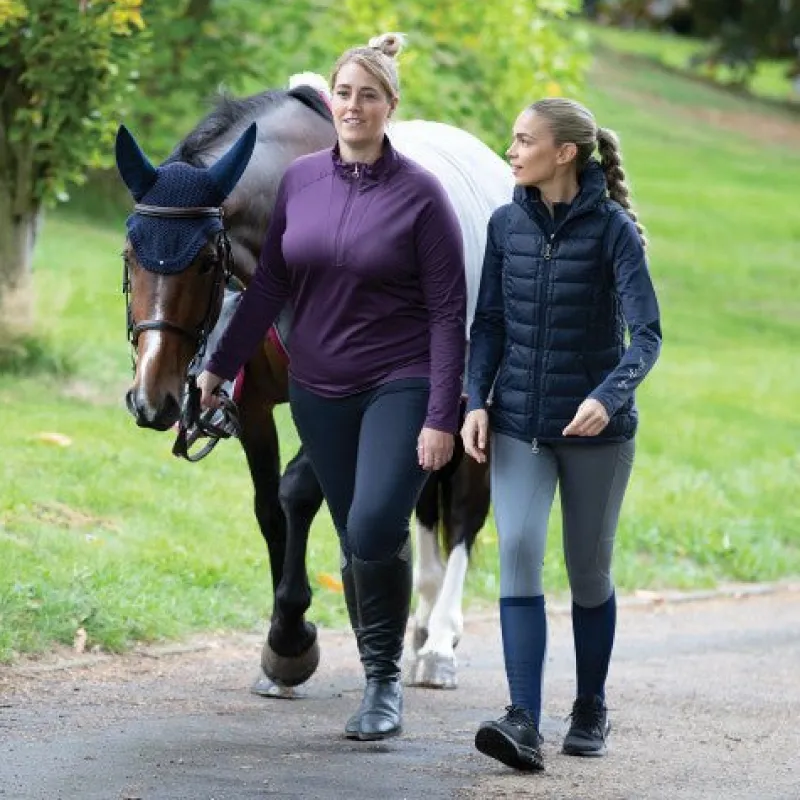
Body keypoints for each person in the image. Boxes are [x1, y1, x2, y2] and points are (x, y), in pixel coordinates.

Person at [197, 33, 466, 741]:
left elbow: (447, 312)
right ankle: (377, 675)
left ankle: (383, 685)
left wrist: (442, 413)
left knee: (376, 526)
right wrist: (220, 365)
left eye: (368, 95)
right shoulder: (302, 181)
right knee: (355, 539)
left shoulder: (422, 194)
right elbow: (269, 286)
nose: (353, 106)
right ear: (331, 99)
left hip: (400, 382)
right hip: (320, 391)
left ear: (390, 106)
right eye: (344, 93)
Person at [461, 97, 662, 770]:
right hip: (519, 422)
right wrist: (476, 401)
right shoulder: (504, 224)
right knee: (518, 548)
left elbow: (648, 335)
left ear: (564, 153)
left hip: (597, 434)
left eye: (524, 140)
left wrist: (608, 398)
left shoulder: (613, 232)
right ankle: (522, 718)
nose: (512, 150)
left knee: (587, 570)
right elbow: (488, 323)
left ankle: (591, 705)